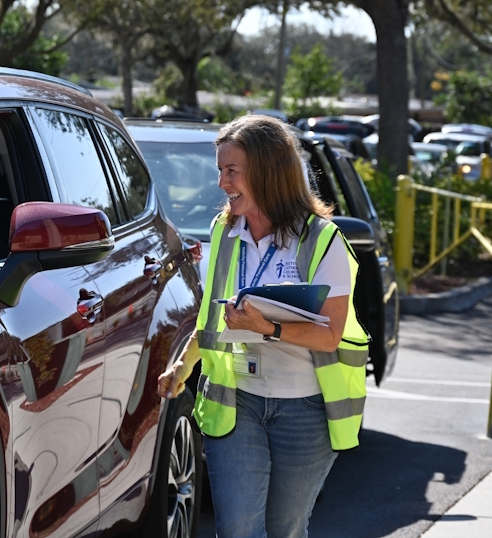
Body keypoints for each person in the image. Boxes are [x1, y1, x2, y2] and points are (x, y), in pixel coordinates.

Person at [156, 114, 369, 538]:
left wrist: (267, 327)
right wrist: (183, 365)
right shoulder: (225, 231)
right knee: (237, 528)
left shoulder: (323, 241)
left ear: (269, 173)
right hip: (240, 401)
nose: (222, 183)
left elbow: (329, 334)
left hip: (305, 410)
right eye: (220, 170)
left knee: (285, 529)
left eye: (231, 171)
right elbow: (213, 316)